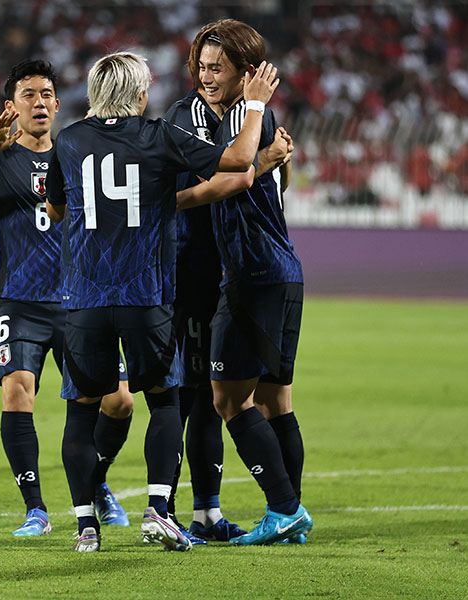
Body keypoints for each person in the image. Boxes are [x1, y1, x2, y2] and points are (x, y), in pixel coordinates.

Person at [45, 50, 276, 552]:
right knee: (164, 401)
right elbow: (235, 162)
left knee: (80, 413)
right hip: (144, 295)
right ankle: (158, 509)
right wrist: (254, 106)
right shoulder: (157, 135)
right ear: (141, 93)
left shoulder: (68, 140)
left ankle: (86, 526)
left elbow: (56, 208)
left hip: (83, 298)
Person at [0, 60, 134, 536]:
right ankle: (36, 510)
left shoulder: (77, 153)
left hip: (80, 300)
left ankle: (96, 483)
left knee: (120, 402)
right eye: (28, 94)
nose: (40, 102)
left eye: (47, 93)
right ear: (12, 106)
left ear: (57, 102)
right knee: (16, 391)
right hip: (19, 300)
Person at [173, 19, 311, 546]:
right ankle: (289, 516)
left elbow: (232, 177)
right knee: (277, 401)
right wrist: (271, 160)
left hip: (251, 275)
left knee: (225, 398)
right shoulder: (252, 118)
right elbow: (274, 176)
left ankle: (285, 509)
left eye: (218, 67)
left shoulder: (251, 117)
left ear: (246, 72)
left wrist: (258, 161)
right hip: (282, 270)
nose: (206, 76)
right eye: (202, 66)